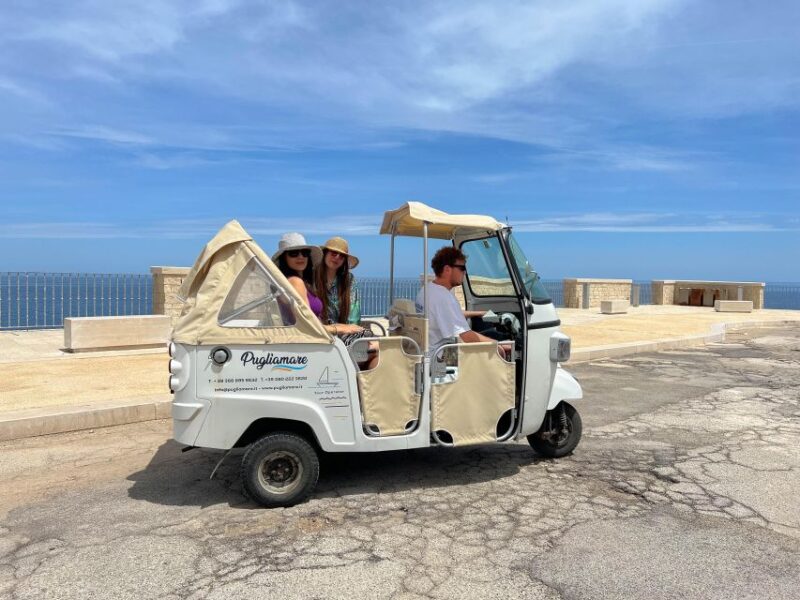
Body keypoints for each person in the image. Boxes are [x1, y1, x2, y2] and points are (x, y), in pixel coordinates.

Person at [416, 246, 510, 356]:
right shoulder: (444, 298)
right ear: (447, 269)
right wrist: (498, 346)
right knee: (498, 338)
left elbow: (448, 315)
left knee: (490, 335)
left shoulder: (427, 290)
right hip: (442, 357)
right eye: (462, 268)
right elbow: (466, 337)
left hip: (431, 351)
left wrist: (479, 313)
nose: (465, 272)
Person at [314, 236, 378, 368]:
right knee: (376, 347)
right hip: (322, 333)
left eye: (342, 256)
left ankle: (363, 384)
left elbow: (353, 313)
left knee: (374, 344)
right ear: (325, 254)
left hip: (343, 332)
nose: (337, 257)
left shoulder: (348, 280)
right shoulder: (312, 278)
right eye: (333, 253)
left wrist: (351, 331)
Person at [272, 232, 325, 319]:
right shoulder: (295, 282)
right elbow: (308, 322)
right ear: (284, 258)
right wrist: (337, 328)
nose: (300, 257)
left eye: (305, 253)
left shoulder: (295, 282)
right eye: (294, 253)